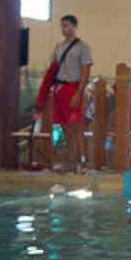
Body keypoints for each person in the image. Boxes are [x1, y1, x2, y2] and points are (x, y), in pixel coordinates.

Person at [35, 14, 93, 173]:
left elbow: (86, 72)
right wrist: (44, 93)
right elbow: (52, 70)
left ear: (75, 27)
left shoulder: (83, 47)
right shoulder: (58, 47)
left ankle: (81, 162)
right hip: (59, 90)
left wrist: (78, 94)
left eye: (67, 25)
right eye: (62, 26)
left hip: (73, 89)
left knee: (77, 127)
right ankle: (70, 161)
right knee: (65, 128)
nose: (64, 28)